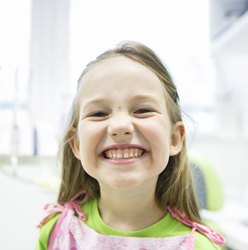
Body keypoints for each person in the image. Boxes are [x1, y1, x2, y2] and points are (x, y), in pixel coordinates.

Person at [36, 41, 225, 249]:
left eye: (142, 110)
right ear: (77, 144)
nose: (120, 126)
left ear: (174, 138)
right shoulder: (56, 233)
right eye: (99, 113)